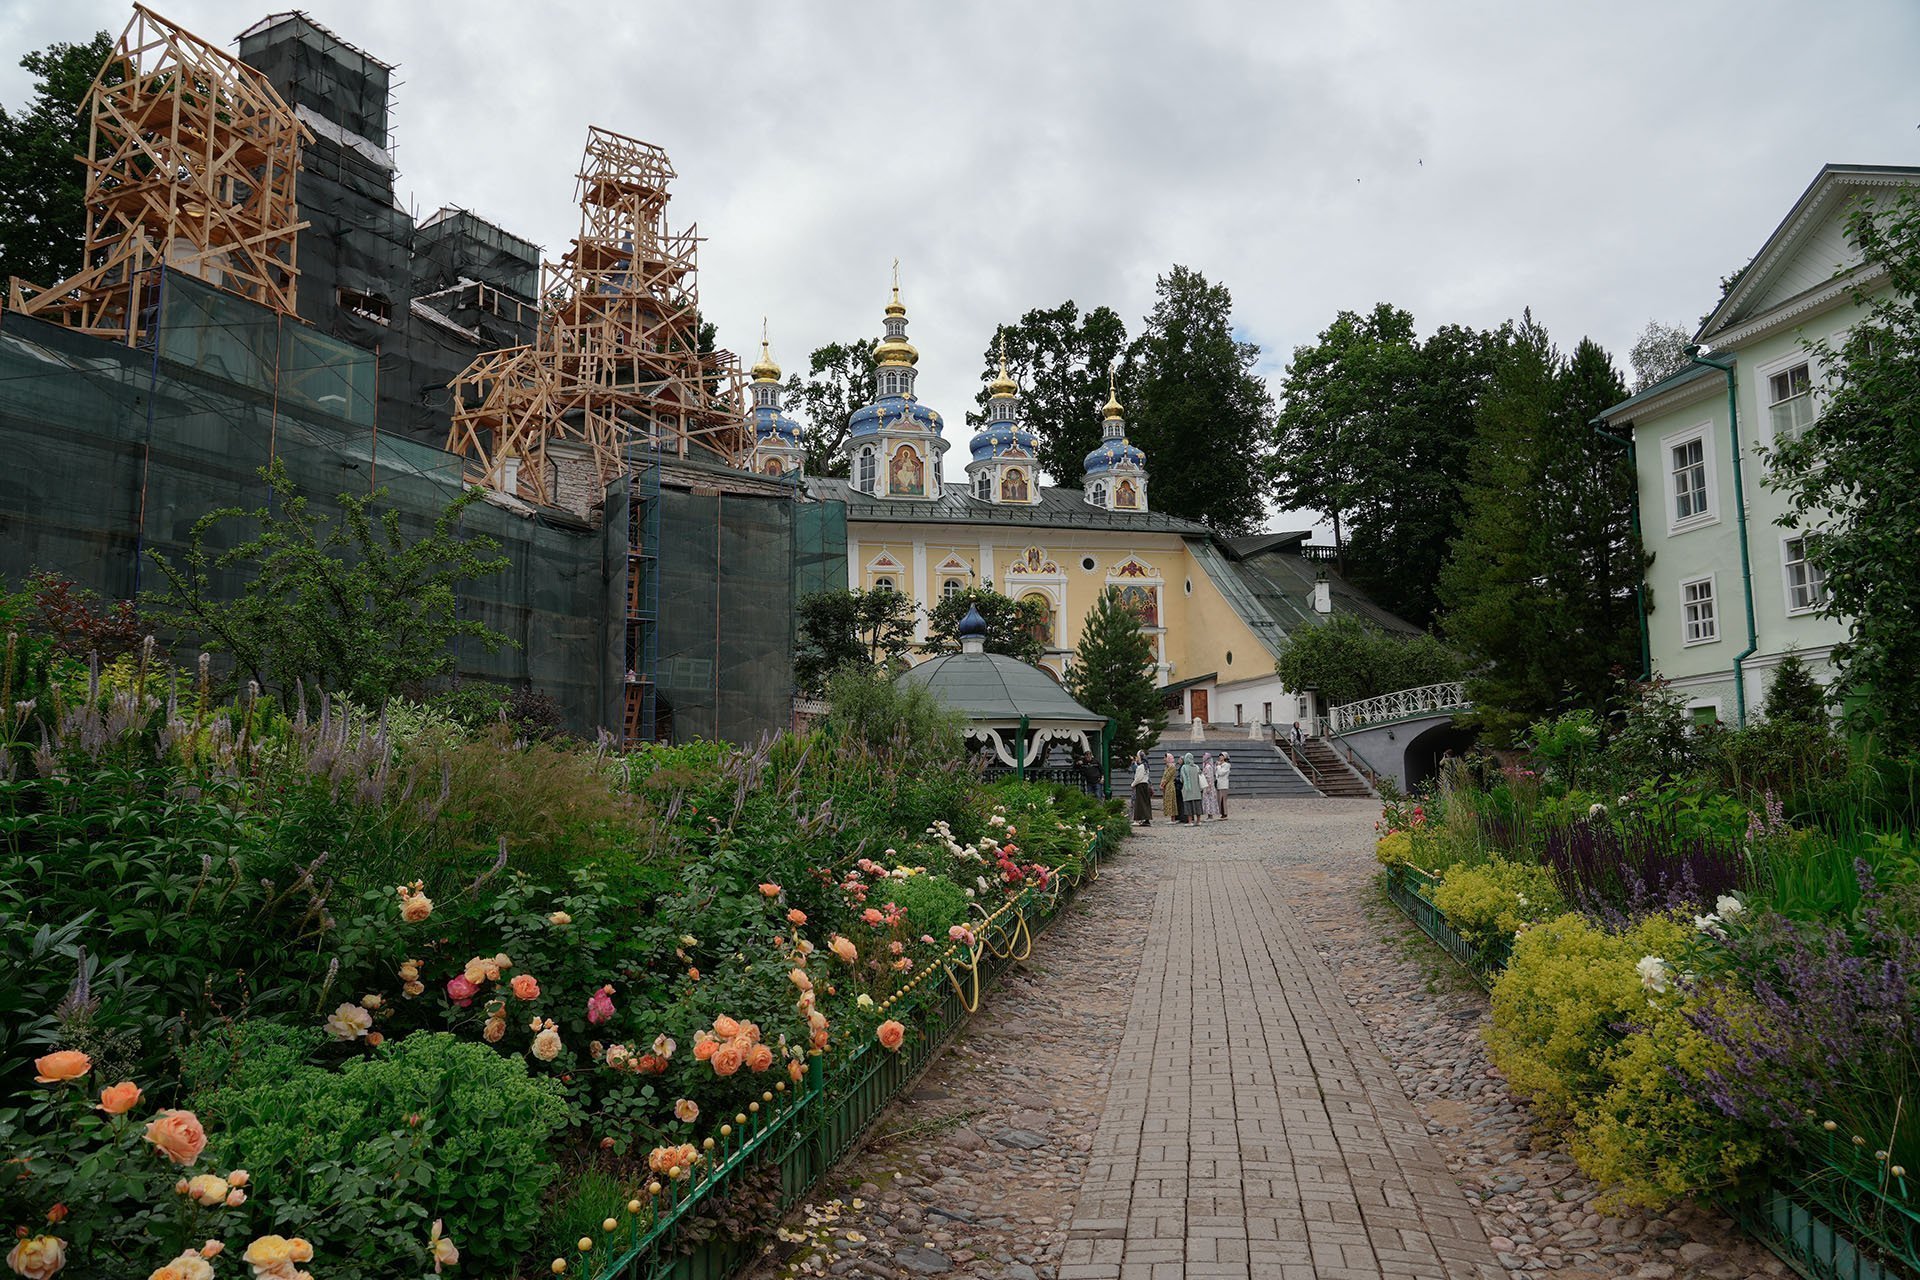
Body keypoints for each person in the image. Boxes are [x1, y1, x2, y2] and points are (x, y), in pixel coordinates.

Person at [1179, 752, 1202, 825]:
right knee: (1197, 805)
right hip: (1197, 790)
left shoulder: (1184, 767)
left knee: (1188, 805)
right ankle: (1198, 821)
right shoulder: (1196, 767)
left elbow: (1182, 779)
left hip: (1188, 790)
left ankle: (1190, 822)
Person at [1130, 751, 1153, 826]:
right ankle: (1146, 819)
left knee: (1139, 803)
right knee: (1145, 803)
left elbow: (1138, 778)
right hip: (1145, 785)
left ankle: (1137, 819)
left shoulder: (1141, 767)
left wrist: (1133, 784)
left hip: (1140, 786)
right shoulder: (1146, 766)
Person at [1161, 752, 1180, 823]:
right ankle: (1172, 818)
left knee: (1171, 801)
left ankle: (1173, 819)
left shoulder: (1172, 766)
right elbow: (1164, 776)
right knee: (1168, 801)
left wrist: (1162, 784)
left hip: (1170, 785)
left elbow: (1168, 777)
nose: (1164, 759)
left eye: (1165, 758)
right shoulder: (1167, 766)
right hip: (1167, 785)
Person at [1200, 752, 1219, 820]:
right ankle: (1209, 815)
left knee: (1209, 800)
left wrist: (1208, 787)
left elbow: (1209, 777)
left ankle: (1210, 815)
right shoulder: (1207, 766)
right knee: (1208, 800)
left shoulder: (1207, 767)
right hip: (1208, 785)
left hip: (1208, 785)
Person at [1216, 752, 1231, 819]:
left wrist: (1218, 766)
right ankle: (1222, 813)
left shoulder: (1227, 765)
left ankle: (1225, 813)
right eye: (1220, 756)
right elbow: (1216, 774)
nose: (1220, 757)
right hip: (1219, 783)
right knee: (1219, 798)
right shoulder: (1219, 764)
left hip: (1224, 784)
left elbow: (1221, 773)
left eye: (1222, 756)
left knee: (1223, 799)